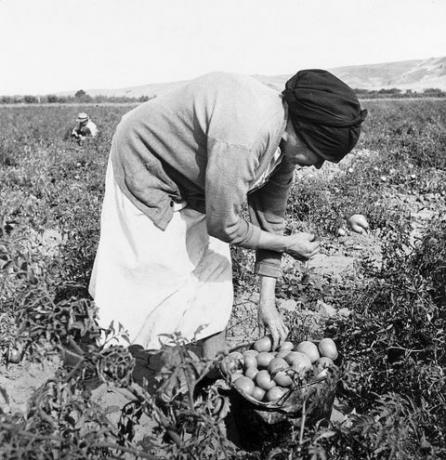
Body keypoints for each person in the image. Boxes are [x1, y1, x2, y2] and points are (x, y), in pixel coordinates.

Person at [89, 70, 367, 359]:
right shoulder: (247, 134)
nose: (319, 165)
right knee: (162, 277)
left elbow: (271, 219)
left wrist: (267, 303)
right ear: (300, 131)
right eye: (318, 154)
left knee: (214, 271)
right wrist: (287, 244)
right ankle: (150, 371)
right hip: (147, 163)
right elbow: (224, 225)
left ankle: (214, 366)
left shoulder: (284, 144)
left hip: (196, 183)